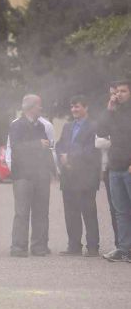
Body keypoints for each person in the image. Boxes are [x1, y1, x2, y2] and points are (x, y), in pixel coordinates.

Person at [9, 94, 56, 257]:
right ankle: (18, 247)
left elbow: (47, 150)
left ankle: (39, 246)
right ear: (30, 108)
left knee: (41, 212)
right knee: (22, 212)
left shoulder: (41, 127)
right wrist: (37, 144)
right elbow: (15, 148)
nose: (41, 108)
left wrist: (53, 170)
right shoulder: (17, 126)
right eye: (38, 105)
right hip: (23, 176)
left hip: (41, 175)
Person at [55, 95, 101, 257]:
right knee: (71, 212)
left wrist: (70, 158)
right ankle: (73, 246)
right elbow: (59, 145)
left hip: (86, 176)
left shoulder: (94, 127)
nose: (74, 109)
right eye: (72, 107)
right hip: (68, 176)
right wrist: (63, 159)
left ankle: (93, 247)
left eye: (78, 106)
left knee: (88, 212)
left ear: (86, 107)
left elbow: (91, 150)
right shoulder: (67, 127)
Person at [98, 80, 131, 262]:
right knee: (121, 211)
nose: (119, 94)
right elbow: (101, 131)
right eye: (117, 92)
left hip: (129, 168)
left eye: (123, 91)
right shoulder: (115, 113)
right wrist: (109, 109)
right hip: (115, 168)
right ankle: (124, 248)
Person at [95, 84, 119, 251]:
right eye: (111, 94)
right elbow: (98, 140)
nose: (114, 97)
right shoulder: (110, 114)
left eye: (117, 93)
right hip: (111, 167)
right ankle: (121, 244)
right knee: (116, 209)